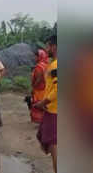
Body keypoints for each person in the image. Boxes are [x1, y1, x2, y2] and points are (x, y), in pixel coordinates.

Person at [34, 35, 57, 173]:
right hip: (53, 110)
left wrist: (44, 102)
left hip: (55, 111)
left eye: (47, 46)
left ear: (54, 46)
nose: (46, 49)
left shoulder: (55, 65)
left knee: (55, 145)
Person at [30, 49, 49, 123]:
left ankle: (40, 120)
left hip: (39, 89)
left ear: (39, 56)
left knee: (38, 104)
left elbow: (38, 79)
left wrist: (33, 87)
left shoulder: (39, 67)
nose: (34, 58)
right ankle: (44, 120)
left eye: (35, 56)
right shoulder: (46, 65)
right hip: (45, 88)